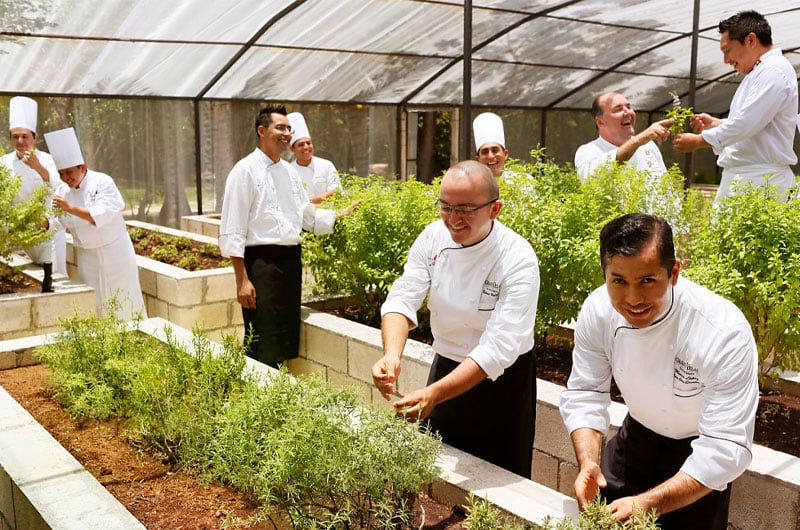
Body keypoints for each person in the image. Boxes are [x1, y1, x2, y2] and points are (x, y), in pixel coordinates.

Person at [559, 213, 759, 529]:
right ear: (605, 274)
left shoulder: (723, 331)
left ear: (674, 272)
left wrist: (648, 503)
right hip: (634, 440)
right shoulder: (598, 311)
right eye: (619, 281)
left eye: (647, 281)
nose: (633, 299)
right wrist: (588, 462)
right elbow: (585, 392)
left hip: (698, 459)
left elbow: (725, 446)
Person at [371, 160, 540, 478]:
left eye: (465, 209)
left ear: (495, 209)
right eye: (445, 207)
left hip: (502, 383)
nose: (453, 219)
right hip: (447, 367)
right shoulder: (433, 238)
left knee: (500, 483)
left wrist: (434, 393)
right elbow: (402, 298)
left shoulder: (517, 258)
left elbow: (498, 348)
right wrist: (392, 354)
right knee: (437, 472)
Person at [219, 105, 356, 368]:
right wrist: (242, 281)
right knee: (262, 333)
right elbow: (233, 227)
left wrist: (337, 215)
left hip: (291, 260)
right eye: (280, 127)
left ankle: (278, 390)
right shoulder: (244, 170)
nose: (286, 133)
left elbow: (304, 214)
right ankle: (257, 394)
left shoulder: (290, 172)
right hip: (261, 263)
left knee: (285, 330)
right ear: (262, 130)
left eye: (288, 129)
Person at [673, 11, 798, 206]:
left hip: (760, 182)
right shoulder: (761, 71)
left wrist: (699, 140)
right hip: (749, 179)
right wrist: (718, 123)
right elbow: (757, 123)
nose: (726, 60)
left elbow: (746, 124)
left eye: (728, 50)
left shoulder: (773, 71)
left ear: (750, 40)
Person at [44, 127, 145, 321]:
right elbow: (56, 220)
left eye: (69, 172)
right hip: (87, 255)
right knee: (96, 302)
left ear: (82, 167)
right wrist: (43, 223)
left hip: (115, 253)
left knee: (126, 300)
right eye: (61, 173)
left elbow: (102, 214)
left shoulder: (103, 182)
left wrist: (69, 207)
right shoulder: (62, 190)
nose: (65, 178)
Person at [0, 96, 67, 288]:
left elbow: (60, 185)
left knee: (56, 280)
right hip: (24, 236)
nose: (20, 141)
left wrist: (38, 167)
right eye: (15, 136)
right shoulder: (4, 163)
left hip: (49, 232)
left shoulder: (47, 160)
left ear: (35, 137)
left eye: (25, 136)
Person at [574, 92, 673, 181]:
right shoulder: (588, 151)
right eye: (618, 109)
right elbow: (591, 180)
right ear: (600, 122)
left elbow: (666, 187)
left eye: (629, 107)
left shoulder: (648, 146)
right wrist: (639, 140)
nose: (628, 112)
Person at [287, 112, 340, 204]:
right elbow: (290, 199)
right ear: (292, 149)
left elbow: (335, 192)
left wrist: (308, 201)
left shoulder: (326, 165)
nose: (306, 147)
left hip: (328, 215)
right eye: (301, 144)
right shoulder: (289, 170)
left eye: (308, 143)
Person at [473, 112, 511, 179]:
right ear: (477, 160)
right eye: (485, 152)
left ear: (505, 154)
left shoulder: (525, 184)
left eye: (495, 150)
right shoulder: (471, 186)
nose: (490, 156)